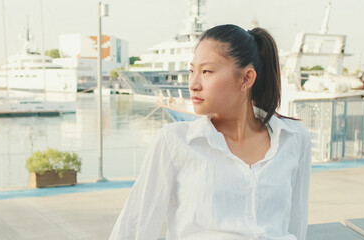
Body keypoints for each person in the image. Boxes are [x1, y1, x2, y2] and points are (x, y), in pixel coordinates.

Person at [109, 24, 312, 240]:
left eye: (206, 71)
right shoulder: (175, 141)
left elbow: (295, 225)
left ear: (246, 78)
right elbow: (134, 228)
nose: (193, 84)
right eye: (191, 71)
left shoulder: (294, 137)